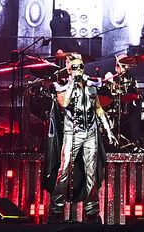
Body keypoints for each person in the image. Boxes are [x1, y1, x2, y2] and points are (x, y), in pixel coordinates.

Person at [45, 51, 109, 221]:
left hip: (90, 133)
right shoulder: (62, 86)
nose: (79, 70)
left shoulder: (90, 87)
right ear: (68, 69)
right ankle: (56, 209)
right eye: (75, 67)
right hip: (71, 132)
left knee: (91, 172)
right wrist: (74, 83)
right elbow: (64, 103)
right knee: (64, 170)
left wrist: (108, 130)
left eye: (81, 66)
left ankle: (92, 211)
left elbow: (98, 108)